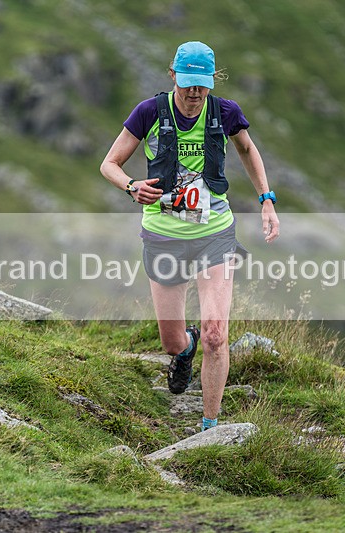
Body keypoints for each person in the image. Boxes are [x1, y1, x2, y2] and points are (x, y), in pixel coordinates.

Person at [100, 41, 279, 432]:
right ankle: (185, 348)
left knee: (217, 333)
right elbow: (109, 164)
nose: (195, 93)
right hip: (163, 236)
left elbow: (248, 150)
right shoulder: (149, 112)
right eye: (187, 84)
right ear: (172, 76)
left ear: (213, 81)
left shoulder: (225, 112)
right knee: (171, 342)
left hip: (214, 233)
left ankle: (209, 428)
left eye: (202, 84)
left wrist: (266, 199)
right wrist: (131, 186)